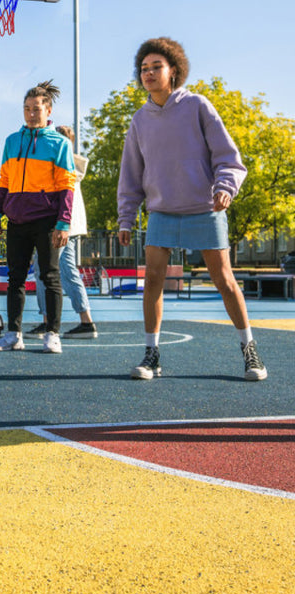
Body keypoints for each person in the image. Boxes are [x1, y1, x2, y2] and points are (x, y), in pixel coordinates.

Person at [117, 36, 267, 381]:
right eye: (144, 69)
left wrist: (225, 188)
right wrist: (126, 217)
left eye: (157, 66)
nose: (149, 73)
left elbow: (228, 157)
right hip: (162, 212)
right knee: (152, 279)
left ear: (174, 71)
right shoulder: (139, 120)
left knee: (224, 280)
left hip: (204, 207)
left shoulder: (198, 105)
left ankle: (250, 351)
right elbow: (131, 176)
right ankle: (151, 354)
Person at [0, 81, 76, 354]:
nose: (30, 113)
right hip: (16, 220)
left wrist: (63, 223)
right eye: (26, 109)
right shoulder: (11, 141)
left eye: (36, 109)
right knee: (15, 278)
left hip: (47, 221)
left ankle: (53, 334)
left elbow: (66, 186)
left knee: (50, 277)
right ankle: (14, 333)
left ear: (48, 110)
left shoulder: (59, 143)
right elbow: (4, 180)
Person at [31, 125, 98, 339]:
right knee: (68, 272)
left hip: (61, 227)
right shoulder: (71, 163)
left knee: (43, 269)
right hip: (72, 226)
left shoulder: (61, 164)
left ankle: (47, 322)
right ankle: (86, 322)